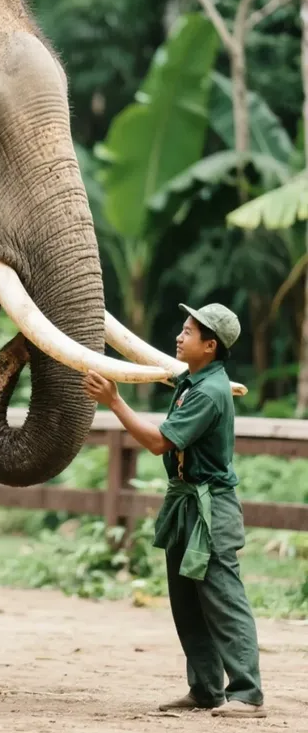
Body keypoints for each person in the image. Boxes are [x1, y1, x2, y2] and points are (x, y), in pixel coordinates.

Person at [83, 303, 266, 719]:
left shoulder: (209, 392)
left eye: (188, 332)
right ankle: (205, 689)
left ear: (210, 345)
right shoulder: (190, 380)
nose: (179, 337)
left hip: (210, 509)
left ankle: (248, 693)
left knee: (223, 599)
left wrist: (115, 402)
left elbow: (159, 442)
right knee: (186, 602)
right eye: (182, 329)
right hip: (185, 504)